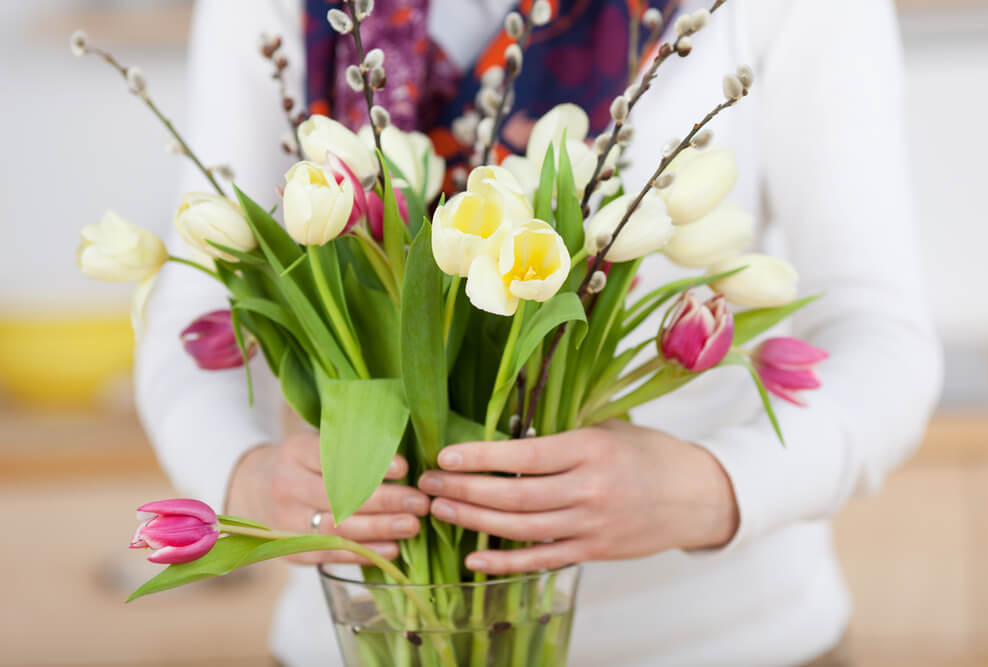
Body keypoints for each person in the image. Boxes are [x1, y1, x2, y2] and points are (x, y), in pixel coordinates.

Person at [135, 0, 943, 665]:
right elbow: (194, 304)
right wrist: (243, 483)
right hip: (362, 640)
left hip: (725, 642)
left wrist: (711, 487)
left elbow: (881, 332)